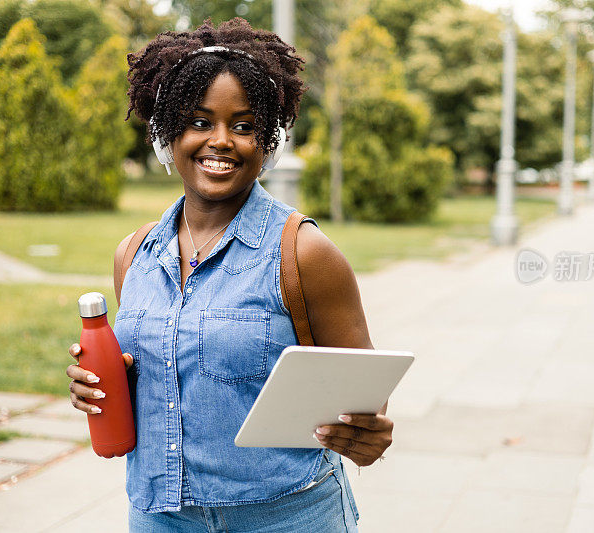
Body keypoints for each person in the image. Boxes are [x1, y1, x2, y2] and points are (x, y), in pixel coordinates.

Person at [65, 18, 393, 532]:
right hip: (161, 515)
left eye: (243, 125)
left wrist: (366, 435)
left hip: (287, 516)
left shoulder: (303, 252)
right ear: (165, 134)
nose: (221, 141)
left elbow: (362, 396)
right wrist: (100, 387)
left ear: (268, 143)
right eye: (198, 121)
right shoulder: (135, 254)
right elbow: (161, 380)